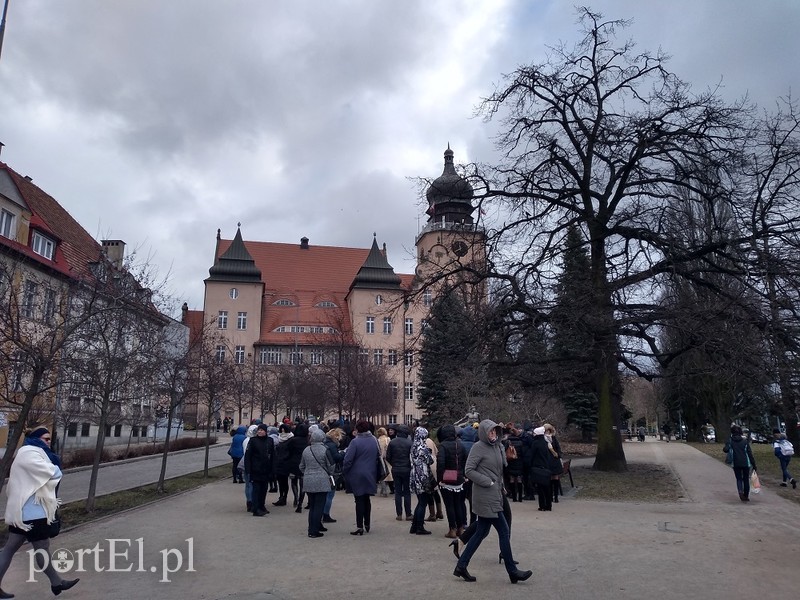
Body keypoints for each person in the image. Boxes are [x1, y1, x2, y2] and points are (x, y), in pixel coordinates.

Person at [0, 427, 80, 598]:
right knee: (42, 549)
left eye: (50, 439)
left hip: (22, 514)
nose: (49, 442)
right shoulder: (30, 454)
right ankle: (57, 583)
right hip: (33, 514)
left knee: (10, 549)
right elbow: (53, 473)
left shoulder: (28, 453)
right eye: (46, 439)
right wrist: (55, 467)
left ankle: (57, 583)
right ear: (36, 438)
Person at [453, 419, 532, 584]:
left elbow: (500, 468)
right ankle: (512, 571)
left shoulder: (496, 446)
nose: (493, 434)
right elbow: (468, 470)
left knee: (481, 532)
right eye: (490, 432)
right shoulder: (478, 447)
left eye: (495, 432)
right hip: (485, 495)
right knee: (503, 531)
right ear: (483, 432)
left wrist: (500, 485)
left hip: (494, 494)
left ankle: (461, 565)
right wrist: (487, 481)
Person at [342, 420, 378, 535]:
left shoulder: (355, 442)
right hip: (371, 472)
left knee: (359, 500)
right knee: (367, 498)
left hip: (357, 474)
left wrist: (345, 471)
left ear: (358, 429)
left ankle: (359, 526)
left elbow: (348, 460)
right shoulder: (374, 440)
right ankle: (367, 523)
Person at [299, 428, 335, 538]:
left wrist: (308, 472)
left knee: (313, 505)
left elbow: (301, 466)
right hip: (322, 480)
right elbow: (331, 465)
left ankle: (313, 527)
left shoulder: (306, 450)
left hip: (308, 480)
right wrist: (328, 473)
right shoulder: (325, 449)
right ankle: (313, 531)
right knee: (319, 505)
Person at [436, 424, 468, 539]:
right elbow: (465, 459)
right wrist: (462, 473)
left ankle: (452, 529)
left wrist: (440, 479)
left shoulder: (443, 446)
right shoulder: (460, 444)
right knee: (458, 504)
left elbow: (441, 464)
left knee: (449, 505)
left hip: (447, 479)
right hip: (459, 478)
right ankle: (460, 528)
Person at [244, 423, 276, 516]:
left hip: (266, 469)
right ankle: (255, 508)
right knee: (256, 489)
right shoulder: (253, 441)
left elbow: (273, 455)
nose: (260, 431)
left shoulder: (270, 440)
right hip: (256, 469)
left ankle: (262, 505)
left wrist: (273, 469)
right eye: (259, 430)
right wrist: (248, 469)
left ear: (265, 431)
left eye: (262, 430)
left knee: (264, 489)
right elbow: (248, 456)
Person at [409, 426, 435, 535]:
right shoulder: (422, 448)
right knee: (423, 502)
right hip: (422, 476)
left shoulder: (413, 446)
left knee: (420, 501)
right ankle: (419, 526)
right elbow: (430, 461)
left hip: (414, 474)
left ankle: (414, 526)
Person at [386, 424, 413, 521]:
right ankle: (408, 514)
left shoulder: (392, 442)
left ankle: (399, 514)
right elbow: (412, 457)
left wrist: (394, 464)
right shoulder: (410, 443)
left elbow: (388, 457)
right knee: (407, 492)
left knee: (397, 491)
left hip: (396, 469)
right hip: (407, 469)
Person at [723, 425, 757, 501]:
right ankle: (746, 495)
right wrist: (754, 464)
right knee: (746, 479)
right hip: (746, 462)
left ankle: (740, 492)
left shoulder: (730, 441)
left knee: (739, 479)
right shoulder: (745, 441)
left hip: (735, 462)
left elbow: (725, 450)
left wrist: (727, 445)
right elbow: (749, 453)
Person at [322, 428, 345, 522]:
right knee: (330, 494)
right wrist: (343, 453)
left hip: (324, 470)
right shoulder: (332, 445)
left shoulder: (325, 443)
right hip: (332, 471)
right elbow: (336, 458)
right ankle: (326, 514)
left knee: (325, 494)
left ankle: (323, 513)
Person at [272, 423, 293, 506]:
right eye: (281, 429)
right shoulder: (279, 438)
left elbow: (291, 452)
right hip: (279, 463)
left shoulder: (291, 439)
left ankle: (284, 497)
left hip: (286, 463)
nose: (283, 431)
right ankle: (281, 496)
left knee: (284, 481)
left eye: (284, 429)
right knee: (280, 481)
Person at [240, 424, 258, 512]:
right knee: (253, 484)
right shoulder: (254, 441)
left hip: (246, 464)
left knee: (248, 485)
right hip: (253, 464)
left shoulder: (245, 440)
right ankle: (253, 502)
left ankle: (249, 501)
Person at [543, 423, 563, 504]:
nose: (547, 432)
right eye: (546, 430)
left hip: (555, 460)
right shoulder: (543, 439)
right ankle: (550, 496)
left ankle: (556, 496)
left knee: (555, 478)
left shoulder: (553, 438)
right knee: (550, 479)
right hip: (548, 461)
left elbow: (558, 448)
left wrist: (558, 455)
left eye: (548, 430)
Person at [376, 427, 392, 497]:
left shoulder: (377, 440)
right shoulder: (387, 439)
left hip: (380, 458)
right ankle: (385, 490)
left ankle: (383, 490)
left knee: (382, 474)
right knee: (387, 474)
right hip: (387, 459)